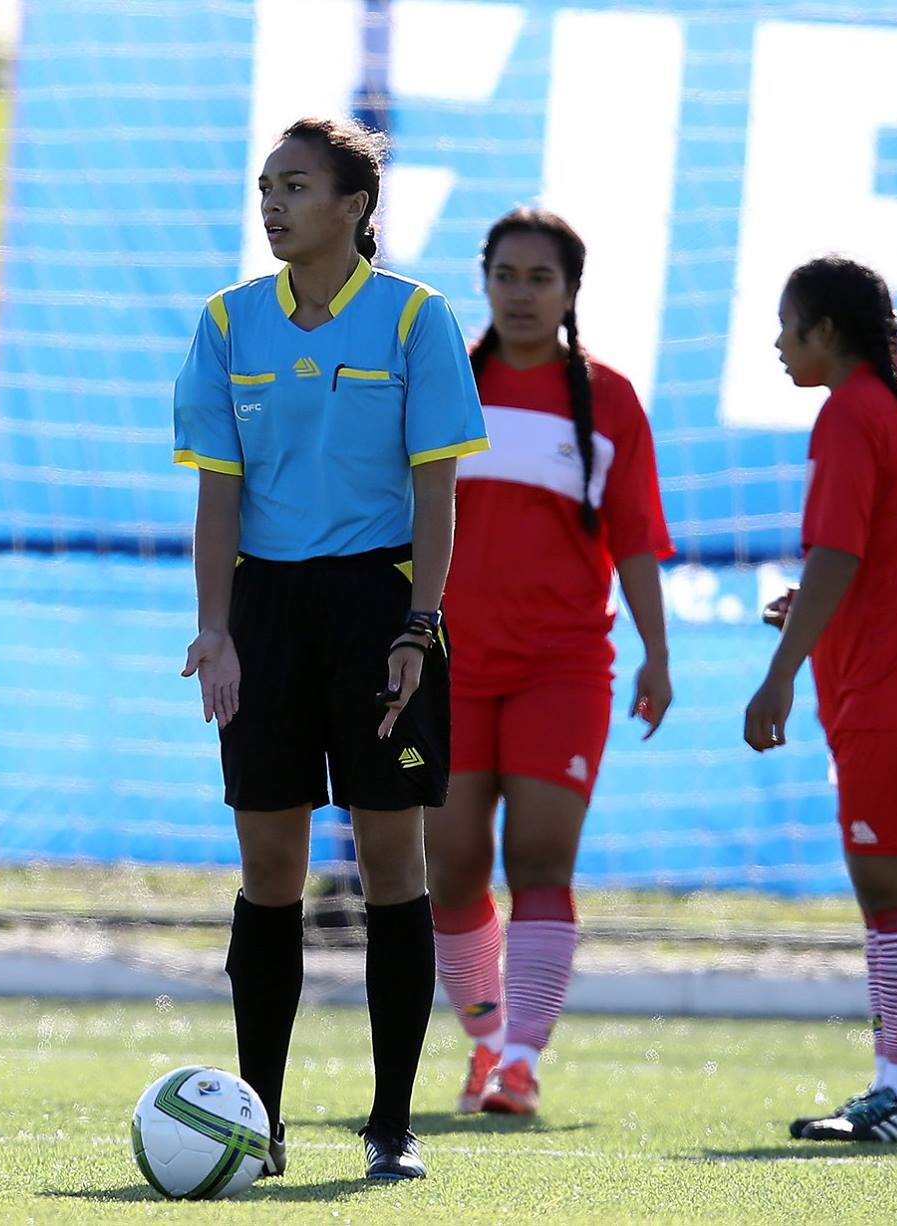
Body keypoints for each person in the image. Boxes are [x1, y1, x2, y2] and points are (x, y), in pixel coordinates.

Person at [173, 116, 488, 1182]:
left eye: (295, 186)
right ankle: (257, 1121)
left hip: (378, 607)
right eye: (266, 185)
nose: (273, 204)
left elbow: (437, 493)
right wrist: (216, 626)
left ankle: (390, 1124)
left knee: (393, 864)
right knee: (270, 868)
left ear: (353, 206)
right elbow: (219, 493)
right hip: (265, 611)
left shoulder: (415, 318)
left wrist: (418, 624)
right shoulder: (228, 322)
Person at [428, 207, 674, 1117]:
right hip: (446, 665)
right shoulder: (443, 382)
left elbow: (636, 540)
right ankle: (486, 1041)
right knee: (452, 867)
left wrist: (656, 654)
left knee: (539, 861)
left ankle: (522, 1060)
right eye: (506, 275)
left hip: (562, 670)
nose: (521, 293)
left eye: (541, 278)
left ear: (571, 291)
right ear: (484, 281)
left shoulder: (610, 400)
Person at [746, 256, 897, 1145]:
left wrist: (780, 672)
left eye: (788, 326)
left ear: (826, 332)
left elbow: (841, 554)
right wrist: (813, 612)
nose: (778, 343)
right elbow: (875, 558)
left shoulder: (852, 411)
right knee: (893, 898)